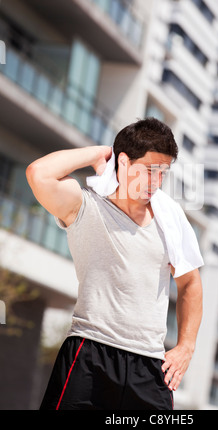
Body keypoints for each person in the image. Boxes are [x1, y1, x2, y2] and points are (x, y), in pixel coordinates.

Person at [26, 117, 203, 410]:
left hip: (149, 366)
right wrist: (98, 153)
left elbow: (190, 283)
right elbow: (38, 173)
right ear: (123, 161)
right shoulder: (85, 207)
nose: (156, 182)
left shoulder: (171, 220)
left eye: (163, 173)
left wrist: (186, 346)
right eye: (149, 170)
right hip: (89, 352)